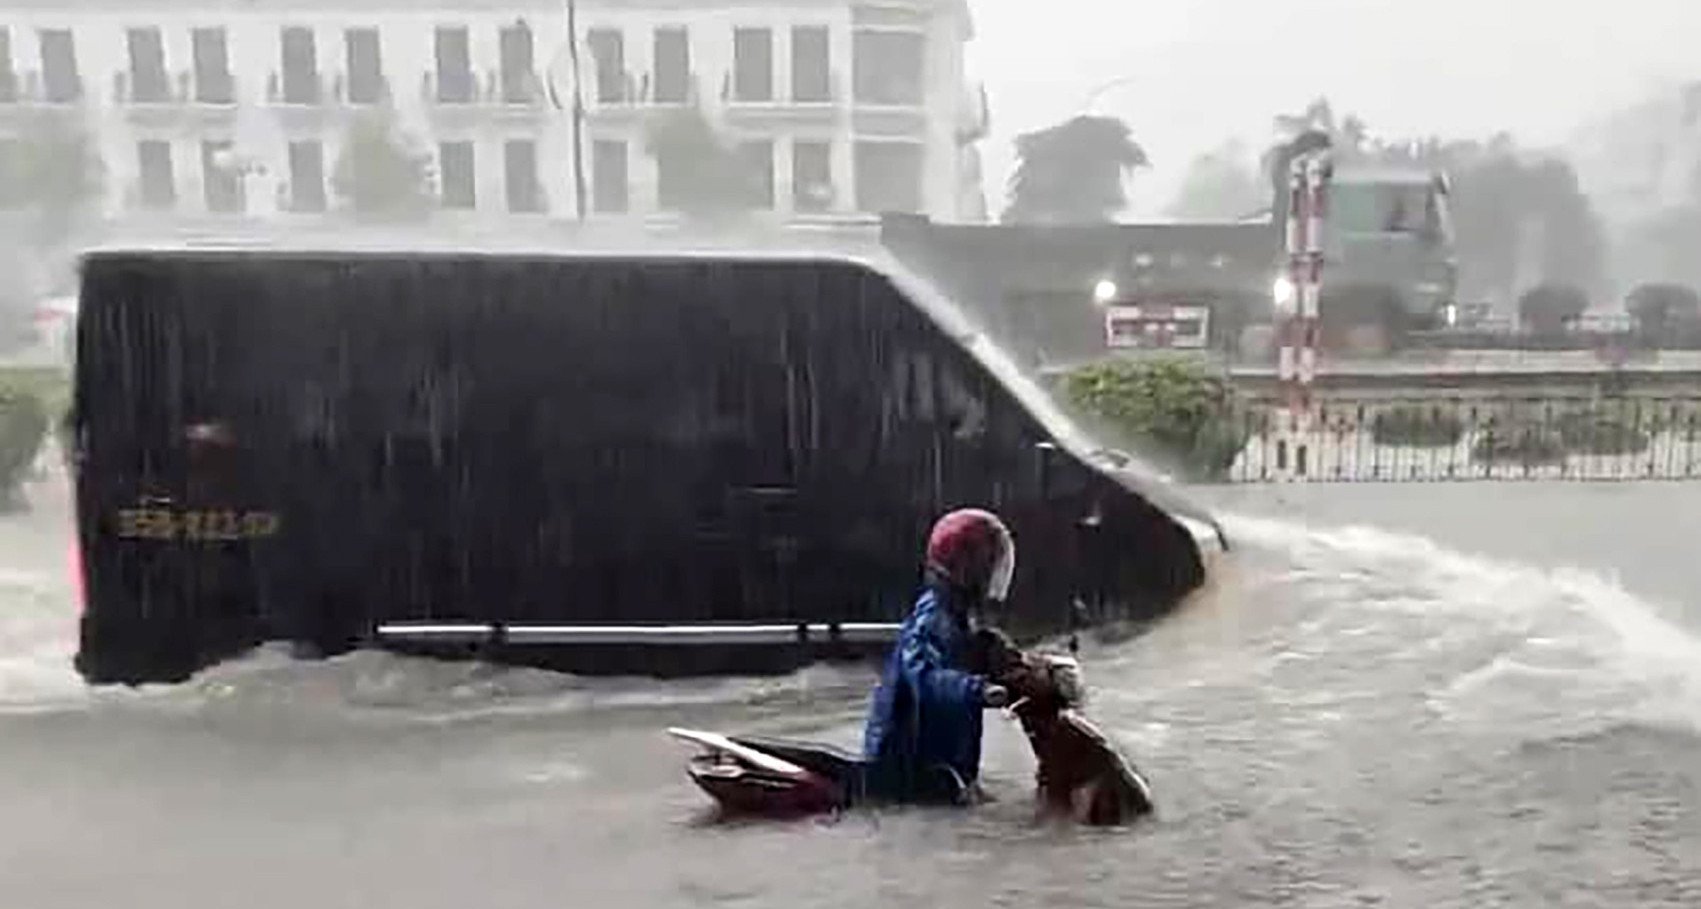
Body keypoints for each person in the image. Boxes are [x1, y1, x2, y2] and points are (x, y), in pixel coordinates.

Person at [861, 508, 1016, 805]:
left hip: (942, 772)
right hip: (905, 774)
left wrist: (999, 658)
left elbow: (961, 657)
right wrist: (977, 690)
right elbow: (925, 676)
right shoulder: (930, 619)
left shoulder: (959, 621)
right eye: (988, 566)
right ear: (966, 570)